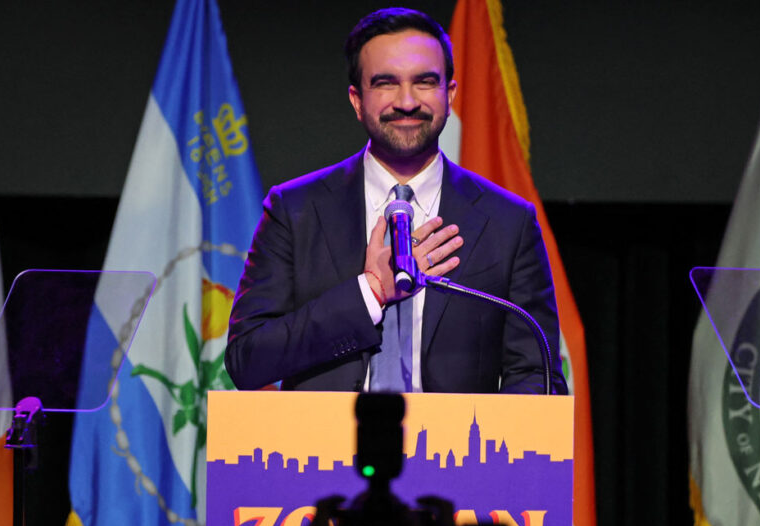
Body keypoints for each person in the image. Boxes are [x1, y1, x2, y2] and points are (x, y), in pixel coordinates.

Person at [226, 7, 567, 394]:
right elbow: (247, 360)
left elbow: (536, 375)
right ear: (357, 99)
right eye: (386, 83)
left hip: (456, 453)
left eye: (424, 82)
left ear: (449, 94)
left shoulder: (508, 222)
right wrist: (370, 293)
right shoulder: (295, 210)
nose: (406, 101)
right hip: (323, 452)